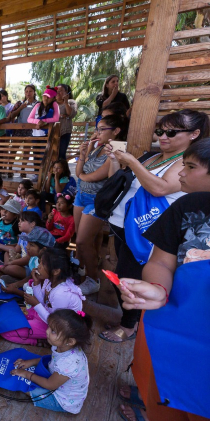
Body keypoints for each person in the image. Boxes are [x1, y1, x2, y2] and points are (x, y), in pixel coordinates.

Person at [115, 140, 210, 421]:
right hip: (174, 321)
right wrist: (158, 289)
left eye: (190, 167)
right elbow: (159, 261)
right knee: (165, 391)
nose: (181, 172)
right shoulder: (188, 207)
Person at [99, 109, 209, 344]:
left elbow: (159, 188)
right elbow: (118, 180)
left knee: (129, 276)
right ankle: (131, 321)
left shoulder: (185, 161)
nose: (163, 136)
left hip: (148, 231)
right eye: (160, 131)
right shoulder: (151, 156)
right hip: (123, 226)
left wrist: (131, 161)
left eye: (171, 132)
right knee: (124, 274)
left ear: (194, 134)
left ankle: (129, 326)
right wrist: (115, 161)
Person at [0, 309, 92, 415]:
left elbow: (49, 385)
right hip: (55, 377)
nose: (47, 331)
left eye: (53, 331)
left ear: (70, 341)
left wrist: (26, 374)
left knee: (23, 382)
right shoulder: (65, 346)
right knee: (22, 360)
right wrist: (31, 362)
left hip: (60, 399)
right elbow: (53, 359)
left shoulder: (69, 363)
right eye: (49, 327)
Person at [74, 114, 126, 294]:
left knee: (82, 241)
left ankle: (93, 279)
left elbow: (100, 176)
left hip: (97, 200)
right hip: (81, 195)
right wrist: (83, 153)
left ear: (116, 131)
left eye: (102, 129)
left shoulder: (118, 150)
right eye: (98, 129)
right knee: (83, 239)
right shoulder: (97, 148)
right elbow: (80, 170)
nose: (98, 132)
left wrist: (81, 176)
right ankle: (83, 267)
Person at [1, 247, 85, 347]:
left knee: (6, 332)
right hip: (45, 315)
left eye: (42, 264)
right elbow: (43, 302)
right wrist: (36, 283)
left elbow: (53, 321)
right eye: (40, 262)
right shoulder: (49, 280)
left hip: (56, 328)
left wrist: (35, 304)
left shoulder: (61, 294)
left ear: (56, 271)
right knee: (9, 318)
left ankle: (39, 341)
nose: (38, 266)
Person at [0, 211, 45, 280]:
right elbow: (17, 249)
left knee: (11, 268)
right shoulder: (23, 234)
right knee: (7, 253)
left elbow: (27, 259)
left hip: (30, 267)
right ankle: (6, 268)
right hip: (21, 261)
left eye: (22, 221)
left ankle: (5, 268)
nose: (19, 223)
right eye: (19, 220)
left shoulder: (35, 238)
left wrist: (11, 263)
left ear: (32, 224)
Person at [56, 84, 78, 160]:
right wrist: (61, 115)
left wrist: (65, 102)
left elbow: (70, 114)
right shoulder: (52, 103)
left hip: (65, 131)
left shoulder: (71, 102)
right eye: (57, 91)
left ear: (66, 92)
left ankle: (62, 171)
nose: (58, 92)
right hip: (53, 132)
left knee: (61, 154)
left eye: (61, 91)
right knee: (53, 154)